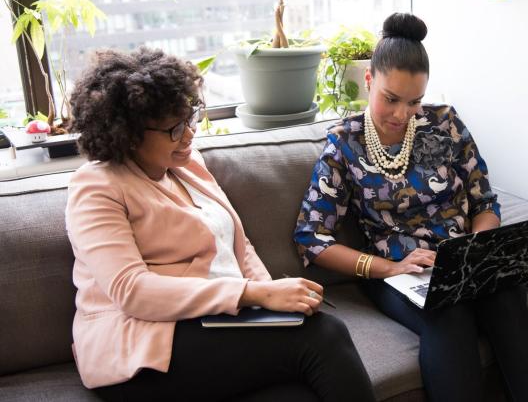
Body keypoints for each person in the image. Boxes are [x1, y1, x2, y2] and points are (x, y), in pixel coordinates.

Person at [66, 47, 376, 402]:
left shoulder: (187, 164)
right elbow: (131, 290)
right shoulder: (97, 187)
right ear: (129, 133)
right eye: (173, 128)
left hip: (210, 322)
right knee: (324, 336)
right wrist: (255, 294)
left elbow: (240, 249)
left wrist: (273, 298)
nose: (188, 134)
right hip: (139, 345)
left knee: (298, 389)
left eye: (190, 117)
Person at [294, 13, 528, 402]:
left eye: (414, 101)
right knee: (448, 315)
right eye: (391, 99)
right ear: (369, 81)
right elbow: (311, 238)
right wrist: (391, 267)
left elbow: (484, 200)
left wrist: (478, 250)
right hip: (397, 273)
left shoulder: (446, 124)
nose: (402, 114)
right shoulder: (343, 146)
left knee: (505, 298)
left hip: (462, 260)